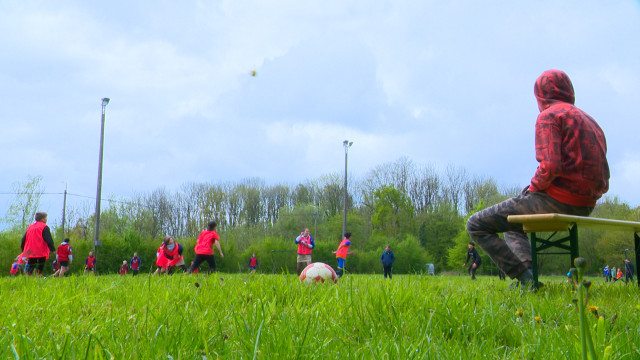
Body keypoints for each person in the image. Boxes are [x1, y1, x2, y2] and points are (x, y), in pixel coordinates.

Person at [465, 70, 609, 288]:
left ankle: (525, 280)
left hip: (557, 200)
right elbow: (603, 173)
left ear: (541, 95)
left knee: (476, 224)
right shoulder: (591, 122)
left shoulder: (550, 116)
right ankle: (528, 275)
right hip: (586, 205)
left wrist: (533, 189)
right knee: (514, 225)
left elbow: (550, 166)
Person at [20, 212, 56, 276]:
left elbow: (23, 239)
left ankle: (28, 277)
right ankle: (38, 275)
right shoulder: (44, 227)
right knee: (40, 264)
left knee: (31, 264)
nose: (46, 220)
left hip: (30, 250)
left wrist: (23, 249)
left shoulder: (30, 227)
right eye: (46, 218)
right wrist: (52, 249)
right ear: (42, 219)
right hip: (40, 250)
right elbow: (48, 239)